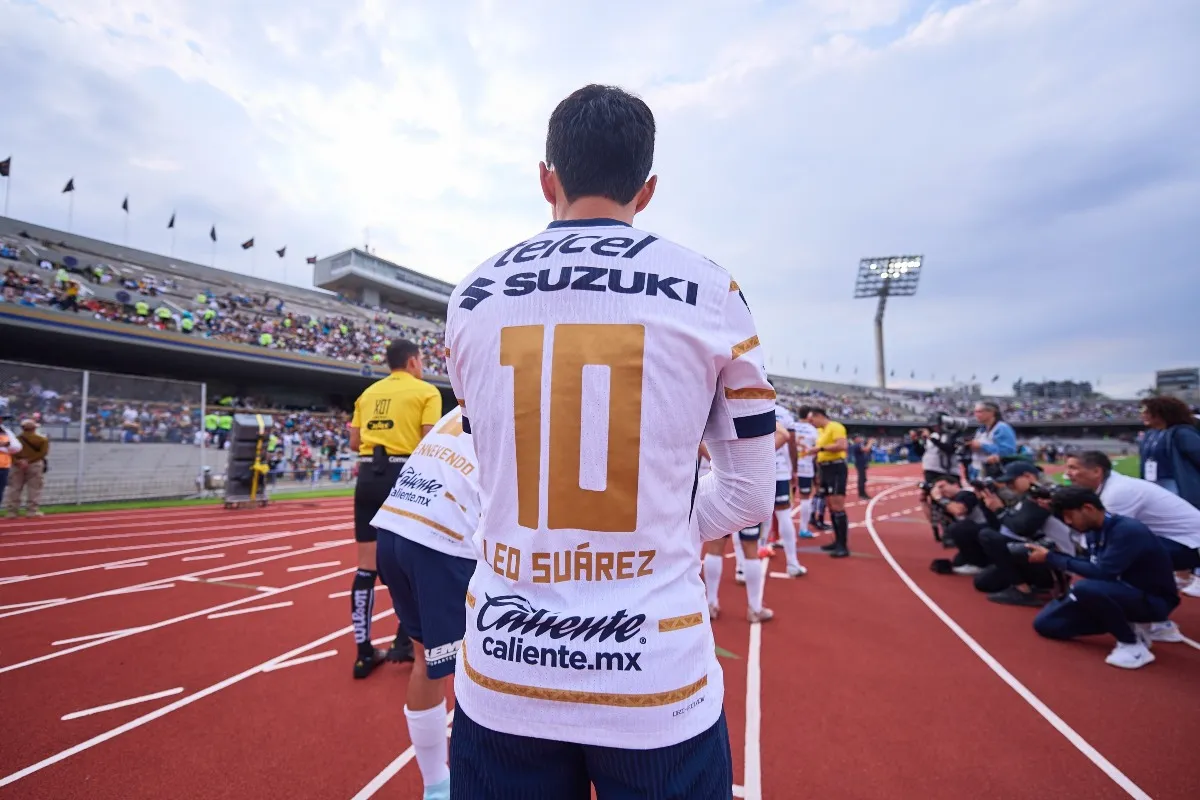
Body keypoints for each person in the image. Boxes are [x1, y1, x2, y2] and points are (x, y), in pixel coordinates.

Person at [444, 84, 776, 799]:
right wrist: (665, 526)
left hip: (503, 667)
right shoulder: (713, 290)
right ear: (647, 189)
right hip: (656, 674)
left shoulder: (469, 296)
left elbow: (484, 464)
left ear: (546, 179)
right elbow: (752, 496)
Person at [370, 406, 479, 800]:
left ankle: (436, 785)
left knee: (426, 661)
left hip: (396, 523)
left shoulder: (469, 399)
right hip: (442, 538)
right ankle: (473, 782)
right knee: (480, 668)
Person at [347, 339, 442, 678]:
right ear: (413, 361)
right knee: (413, 560)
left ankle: (363, 652)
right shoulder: (426, 392)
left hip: (367, 477)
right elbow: (430, 440)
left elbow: (354, 442)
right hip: (404, 477)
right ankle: (407, 640)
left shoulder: (367, 394)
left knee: (365, 568)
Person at [1030, 488, 1179, 669]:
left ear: (1088, 508)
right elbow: (1091, 563)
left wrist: (1052, 558)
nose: (1068, 522)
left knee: (1084, 588)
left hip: (1153, 600)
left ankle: (1132, 645)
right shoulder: (1092, 531)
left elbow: (1102, 572)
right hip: (1119, 592)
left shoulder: (1127, 530)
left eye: (1070, 516)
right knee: (1047, 624)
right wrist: (1055, 557)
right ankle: (1130, 626)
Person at [1064, 450, 1200, 608]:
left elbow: (1106, 536)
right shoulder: (1111, 486)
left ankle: (1152, 610)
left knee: (1126, 554)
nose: (1068, 474)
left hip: (1191, 545)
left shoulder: (1116, 493)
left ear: (1096, 471)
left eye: (1073, 468)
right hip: (1180, 541)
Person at [703, 423, 794, 624]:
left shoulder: (712, 412)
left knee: (715, 546)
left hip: (716, 483)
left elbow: (698, 440)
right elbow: (783, 434)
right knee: (750, 548)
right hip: (745, 487)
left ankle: (710, 605)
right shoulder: (750, 408)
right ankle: (754, 608)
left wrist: (718, 461)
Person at [1138, 395, 1200, 508]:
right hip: (1153, 483)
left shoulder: (1182, 433)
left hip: (1175, 484)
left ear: (1163, 413)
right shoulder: (1150, 434)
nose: (1143, 415)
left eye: (1148, 412)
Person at [807, 408, 850, 557]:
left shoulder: (835, 427)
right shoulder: (821, 431)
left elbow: (842, 445)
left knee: (837, 506)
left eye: (812, 420)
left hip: (836, 468)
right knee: (830, 506)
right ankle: (837, 542)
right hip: (824, 469)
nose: (811, 423)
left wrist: (820, 448)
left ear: (819, 416)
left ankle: (843, 545)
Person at [771, 402, 806, 576]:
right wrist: (794, 470)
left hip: (755, 469)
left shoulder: (742, 405)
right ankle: (792, 563)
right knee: (784, 514)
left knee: (753, 516)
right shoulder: (783, 413)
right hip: (780, 469)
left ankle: (743, 567)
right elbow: (791, 444)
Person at [5, 419, 48, 517]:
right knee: (34, 488)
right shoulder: (42, 439)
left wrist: (18, 461)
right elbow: (42, 453)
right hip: (35, 464)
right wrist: (28, 461)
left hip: (17, 465)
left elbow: (10, 451)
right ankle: (32, 510)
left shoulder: (15, 439)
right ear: (34, 428)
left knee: (14, 488)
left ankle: (12, 511)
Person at [967, 401, 1016, 481]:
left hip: (994, 473)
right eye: (975, 412)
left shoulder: (1002, 428)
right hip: (977, 470)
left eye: (979, 412)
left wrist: (982, 446)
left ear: (991, 412)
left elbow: (1008, 451)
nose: (976, 414)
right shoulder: (980, 430)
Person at [792, 406, 819, 539]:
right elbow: (817, 449)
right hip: (806, 467)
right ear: (809, 415)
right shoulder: (813, 430)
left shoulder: (792, 426)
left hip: (790, 466)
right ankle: (803, 529)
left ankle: (783, 530)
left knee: (786, 500)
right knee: (805, 498)